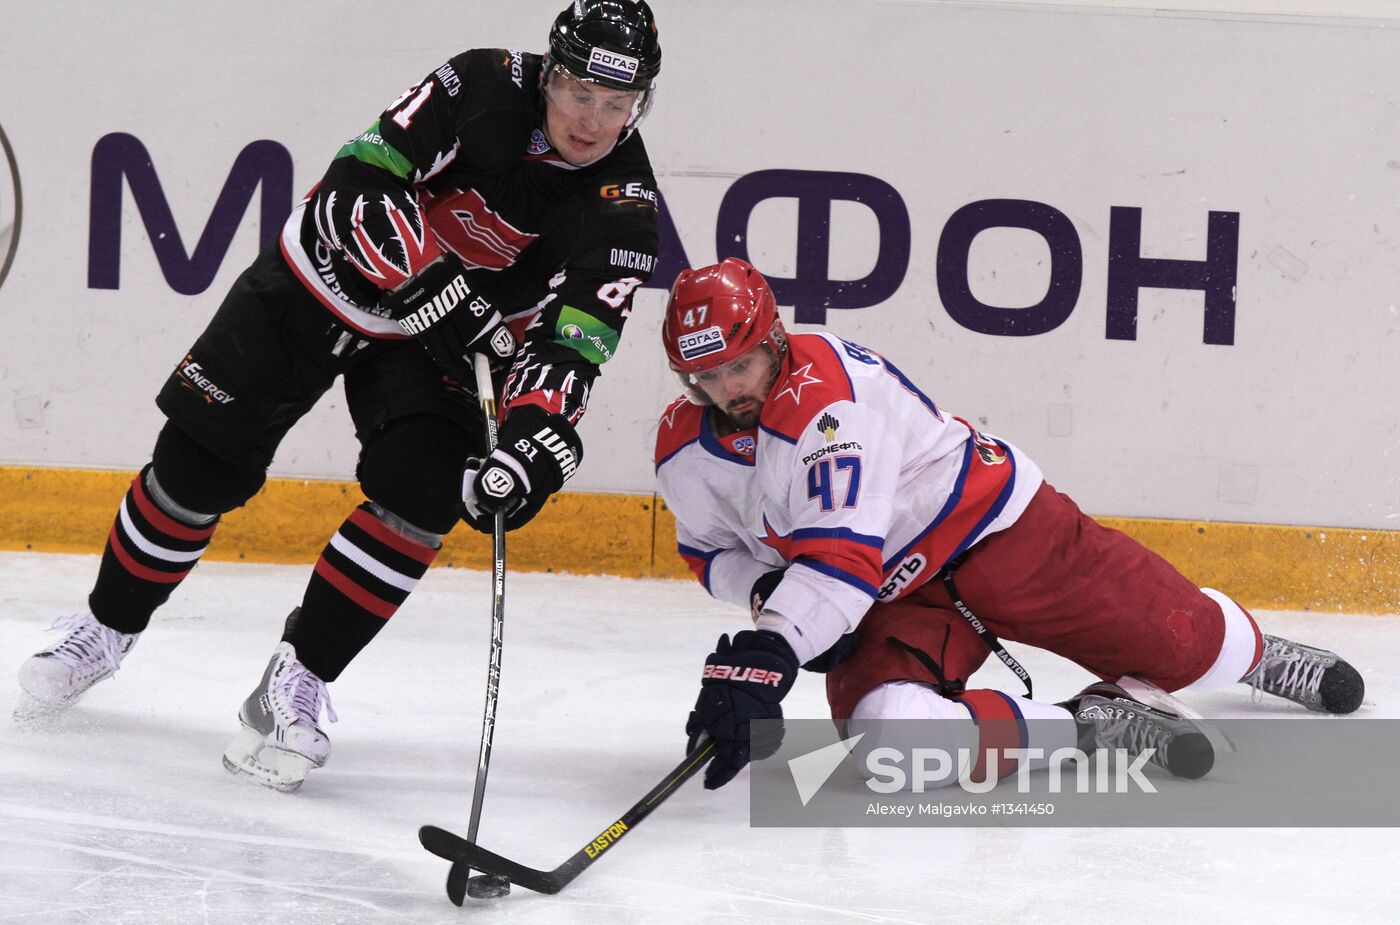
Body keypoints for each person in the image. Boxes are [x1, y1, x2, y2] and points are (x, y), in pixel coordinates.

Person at [16, 0, 663, 792]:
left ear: (641, 104)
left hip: (438, 348)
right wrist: (435, 279)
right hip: (322, 282)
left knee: (424, 497)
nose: (593, 121)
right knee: (196, 467)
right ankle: (105, 627)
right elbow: (354, 181)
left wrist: (536, 440)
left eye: (617, 104)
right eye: (578, 94)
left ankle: (298, 678)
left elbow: (575, 343)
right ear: (549, 73)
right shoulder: (480, 82)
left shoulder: (624, 209)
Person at [654, 258, 1364, 791]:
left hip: (1000, 536)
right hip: (896, 603)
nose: (728, 390)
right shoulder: (684, 450)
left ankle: (1255, 654)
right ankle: (1086, 724)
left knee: (1191, 646)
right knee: (889, 744)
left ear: (774, 338)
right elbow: (706, 550)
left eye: (740, 365)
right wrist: (767, 592)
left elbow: (841, 564)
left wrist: (771, 647)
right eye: (705, 377)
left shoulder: (832, 403)